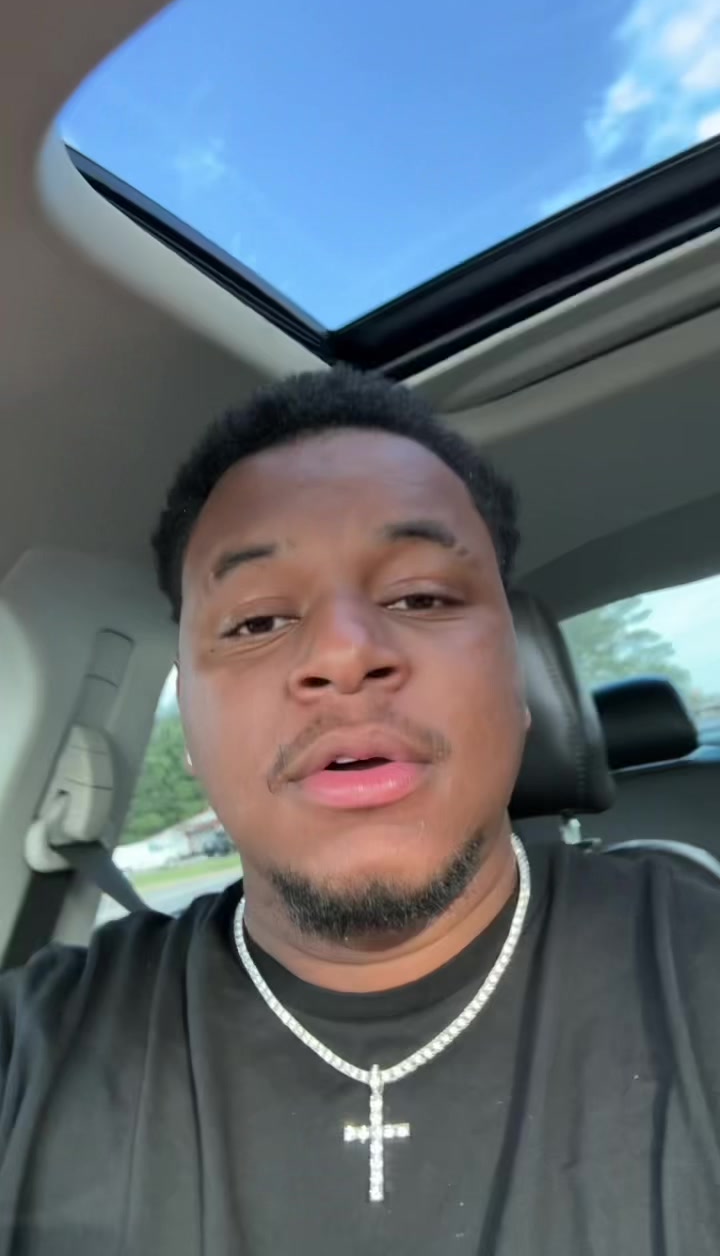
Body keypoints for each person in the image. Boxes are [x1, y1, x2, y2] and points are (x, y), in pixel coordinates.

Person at [1, 367, 719, 1255]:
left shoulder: (697, 964)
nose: (344, 654)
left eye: (421, 596)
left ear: (519, 686)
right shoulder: (37, 1051)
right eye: (257, 622)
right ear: (189, 724)